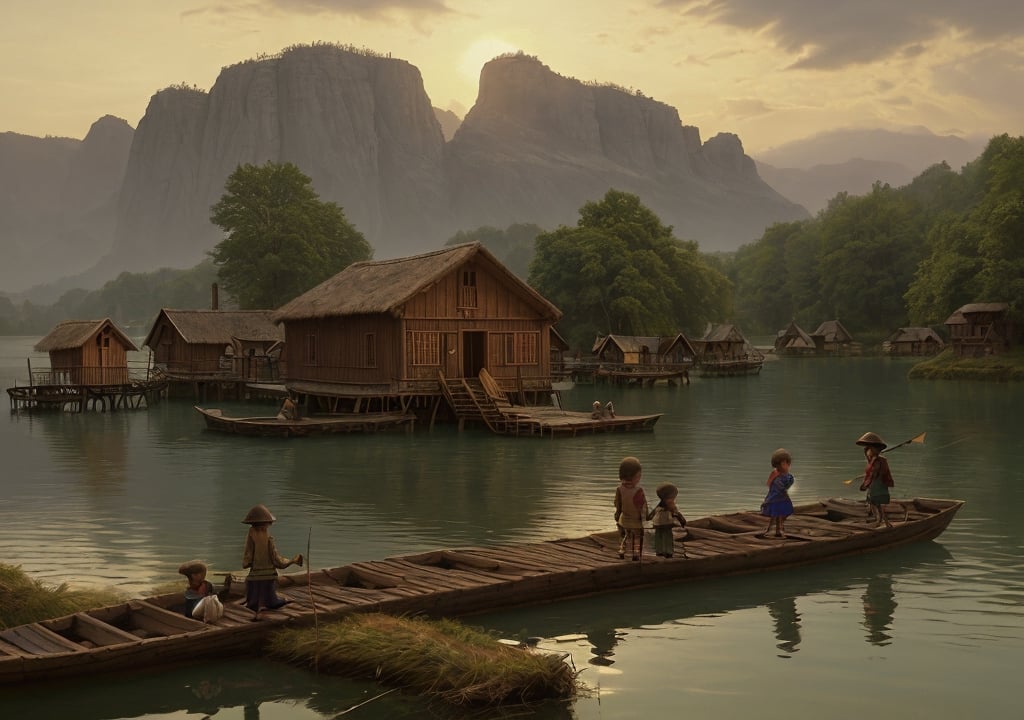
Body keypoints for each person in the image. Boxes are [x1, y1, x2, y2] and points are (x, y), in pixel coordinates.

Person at [241, 503, 303, 621]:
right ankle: (269, 603)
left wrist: (246, 563)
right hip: (269, 576)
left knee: (252, 596)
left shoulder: (251, 534)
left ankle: (255, 606)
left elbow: (248, 554)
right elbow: (276, 559)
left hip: (254, 576)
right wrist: (290, 562)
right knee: (271, 598)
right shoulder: (268, 538)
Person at [613, 456, 648, 560]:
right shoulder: (639, 490)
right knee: (637, 537)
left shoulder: (619, 489)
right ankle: (636, 553)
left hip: (624, 519)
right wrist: (645, 518)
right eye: (638, 476)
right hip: (636, 520)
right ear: (634, 477)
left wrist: (617, 514)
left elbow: (617, 504)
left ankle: (622, 550)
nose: (640, 478)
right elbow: (642, 506)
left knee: (626, 535)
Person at [857, 432, 894, 527]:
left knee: (877, 503)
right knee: (873, 503)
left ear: (873, 449)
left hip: (877, 484)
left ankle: (885, 522)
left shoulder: (877, 461)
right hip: (875, 484)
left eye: (868, 448)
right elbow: (869, 464)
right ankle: (879, 520)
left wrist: (865, 485)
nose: (867, 450)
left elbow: (873, 474)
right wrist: (866, 451)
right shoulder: (874, 459)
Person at [760, 448, 795, 537]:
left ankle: (779, 529)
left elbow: (788, 484)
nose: (786, 466)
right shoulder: (777, 477)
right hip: (776, 499)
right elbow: (776, 490)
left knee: (784, 513)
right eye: (782, 464)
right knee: (775, 515)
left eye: (786, 463)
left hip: (783, 499)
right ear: (777, 465)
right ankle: (772, 531)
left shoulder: (787, 476)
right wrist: (767, 501)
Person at [647, 482, 687, 558]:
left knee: (661, 537)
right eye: (673, 497)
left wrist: (649, 517)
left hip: (660, 524)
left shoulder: (660, 505)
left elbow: (652, 514)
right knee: (665, 537)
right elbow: (677, 514)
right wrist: (682, 521)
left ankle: (662, 552)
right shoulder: (669, 505)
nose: (673, 499)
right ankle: (665, 552)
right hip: (665, 524)